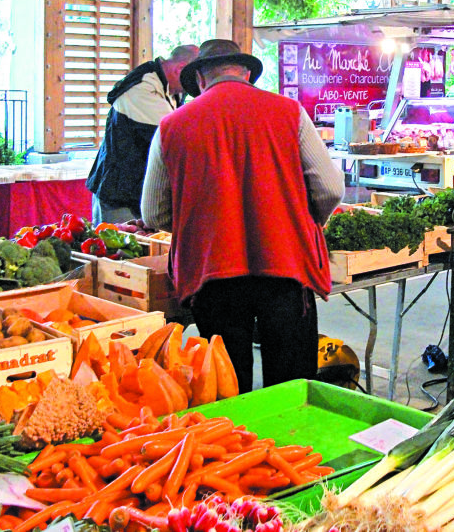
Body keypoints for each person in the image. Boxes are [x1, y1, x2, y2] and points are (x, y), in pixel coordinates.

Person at [141, 39, 344, 391]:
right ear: (247, 74)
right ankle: (294, 444)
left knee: (227, 386)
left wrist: (200, 218)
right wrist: (302, 220)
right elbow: (330, 188)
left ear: (201, 79)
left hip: (211, 274)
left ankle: (239, 444)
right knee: (292, 385)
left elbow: (152, 211)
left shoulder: (172, 126)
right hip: (284, 265)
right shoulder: (289, 112)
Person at [86, 45, 199, 224]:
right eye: (194, 79)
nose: (195, 88)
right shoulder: (142, 87)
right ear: (180, 69)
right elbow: (177, 138)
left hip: (137, 195)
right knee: (122, 250)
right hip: (120, 197)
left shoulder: (170, 89)